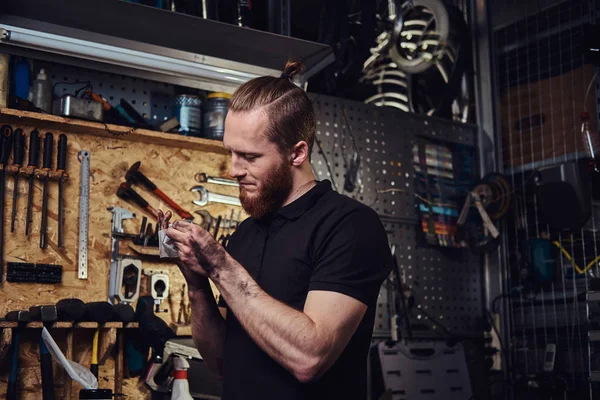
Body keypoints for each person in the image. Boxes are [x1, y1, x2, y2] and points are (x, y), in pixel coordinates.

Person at [158, 60, 392, 400]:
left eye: (250, 156)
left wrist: (221, 267)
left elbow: (310, 357)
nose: (234, 170)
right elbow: (220, 361)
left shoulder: (349, 226)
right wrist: (197, 284)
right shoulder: (245, 235)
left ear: (297, 152)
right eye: (231, 153)